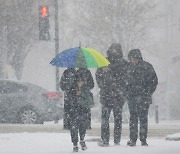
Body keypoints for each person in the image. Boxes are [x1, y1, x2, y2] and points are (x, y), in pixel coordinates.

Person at [96, 43, 129, 146]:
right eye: (112, 49)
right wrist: (104, 86)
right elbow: (98, 76)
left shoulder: (124, 64)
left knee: (117, 118)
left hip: (117, 95)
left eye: (116, 49)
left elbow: (127, 78)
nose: (114, 51)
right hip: (108, 94)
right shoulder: (104, 62)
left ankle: (116, 140)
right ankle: (106, 140)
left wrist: (120, 88)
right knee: (106, 118)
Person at [127, 49, 158, 146]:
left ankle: (139, 140)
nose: (133, 60)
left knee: (138, 119)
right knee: (138, 118)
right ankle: (138, 139)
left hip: (140, 98)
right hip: (138, 98)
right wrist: (147, 92)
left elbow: (154, 81)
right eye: (131, 58)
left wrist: (146, 92)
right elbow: (154, 81)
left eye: (133, 58)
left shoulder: (143, 67)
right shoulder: (147, 66)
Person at [60, 68, 94, 152]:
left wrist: (82, 87)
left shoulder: (85, 71)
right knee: (73, 124)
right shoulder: (67, 72)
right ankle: (75, 143)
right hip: (71, 103)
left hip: (83, 103)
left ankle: (82, 139)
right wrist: (73, 89)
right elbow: (62, 86)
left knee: (83, 123)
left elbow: (91, 85)